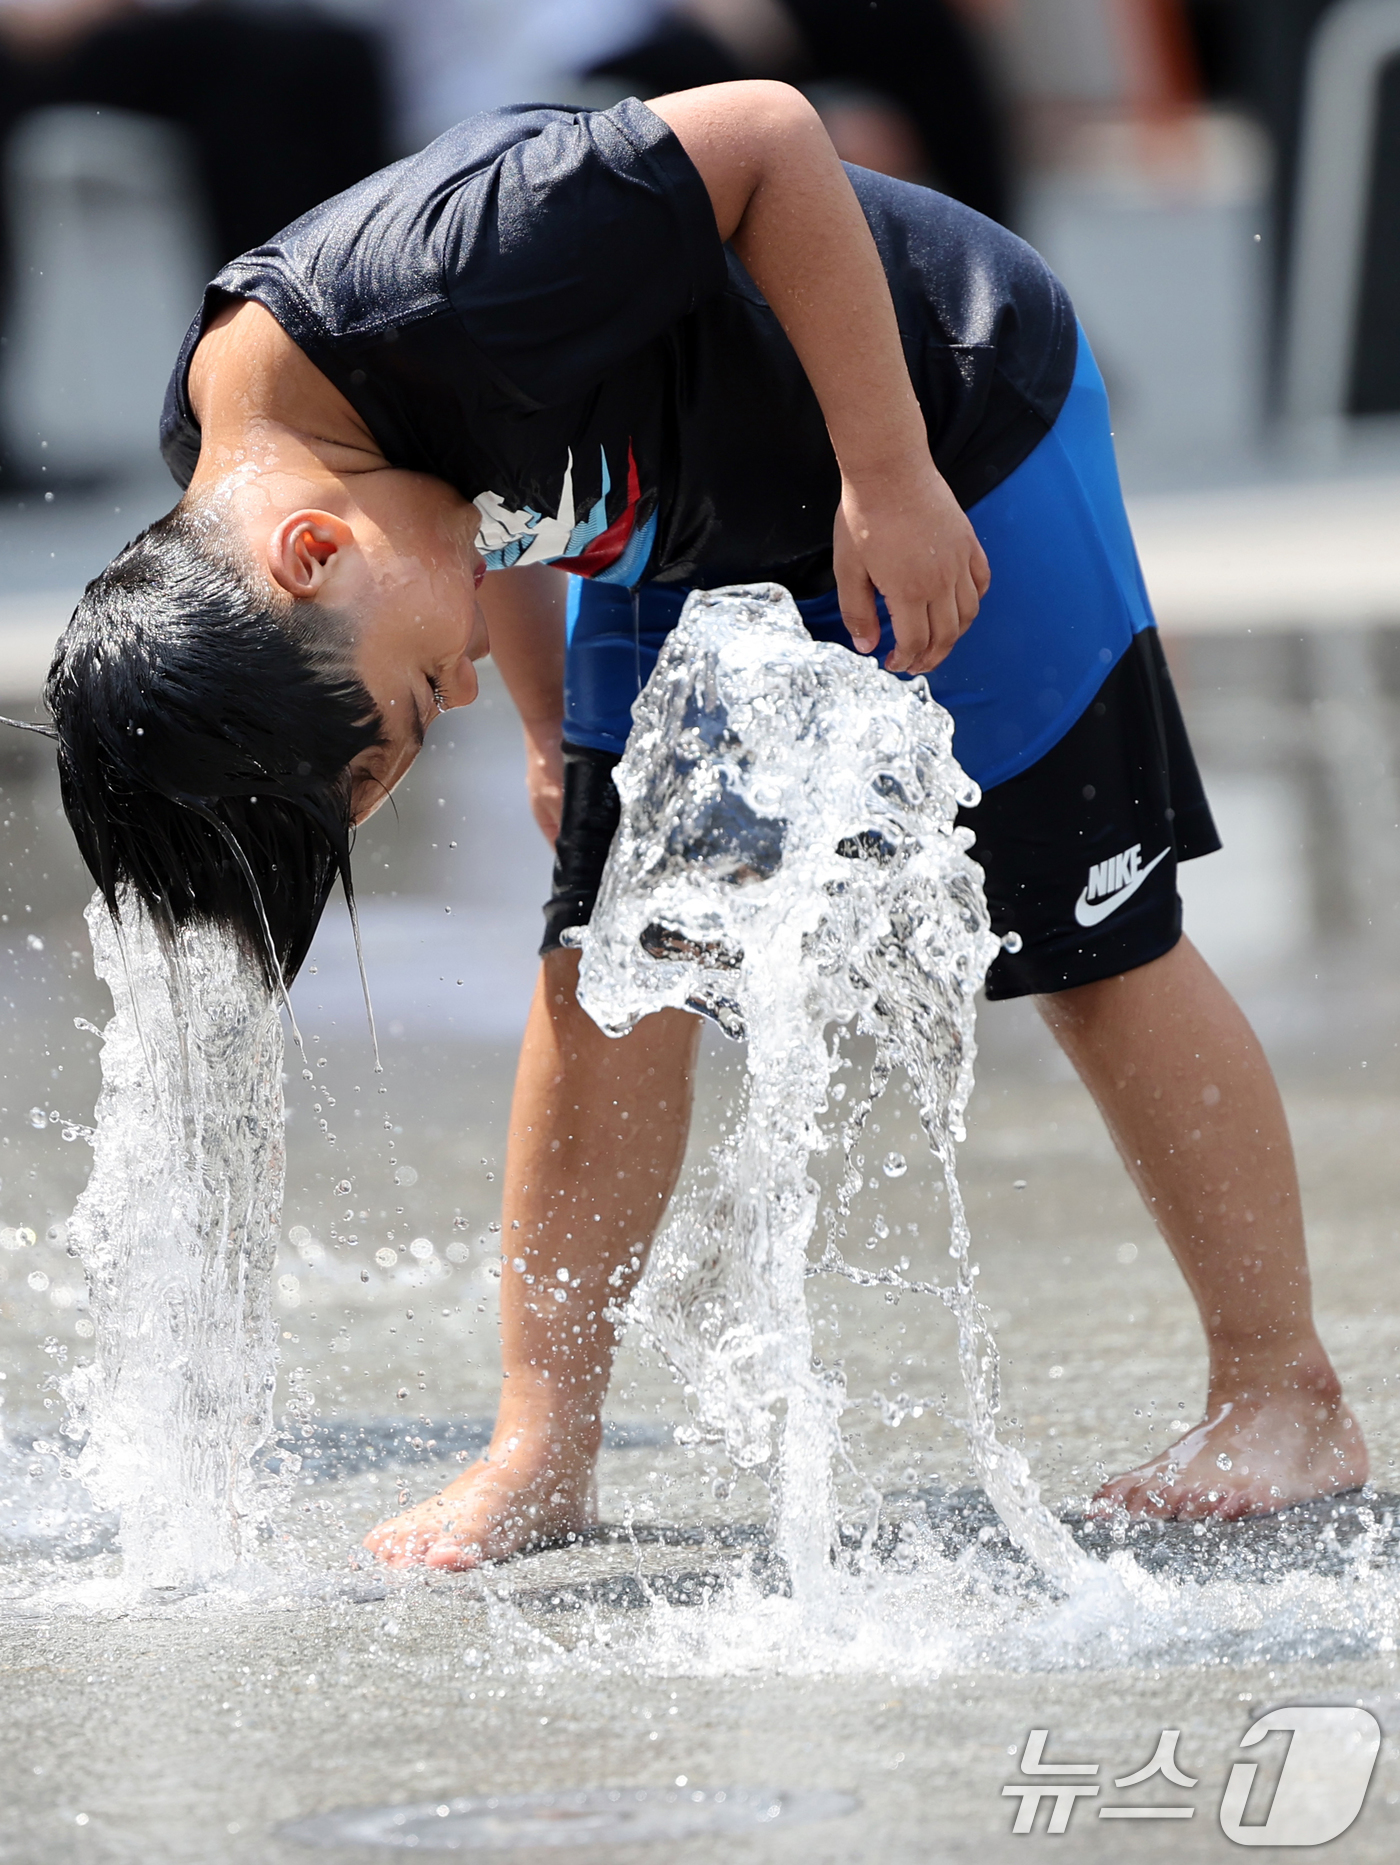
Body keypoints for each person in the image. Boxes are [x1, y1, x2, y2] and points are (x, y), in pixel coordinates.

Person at [35, 81, 1364, 1567]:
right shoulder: (289, 478)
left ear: (312, 554)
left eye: (421, 693)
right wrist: (548, 719)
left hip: (941, 406)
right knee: (606, 972)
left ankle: (1282, 1387)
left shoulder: (450, 268)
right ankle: (543, 1446)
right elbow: (474, 500)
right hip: (688, 515)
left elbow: (770, 137)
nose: (449, 699)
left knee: (1094, 944)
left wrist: (889, 472)